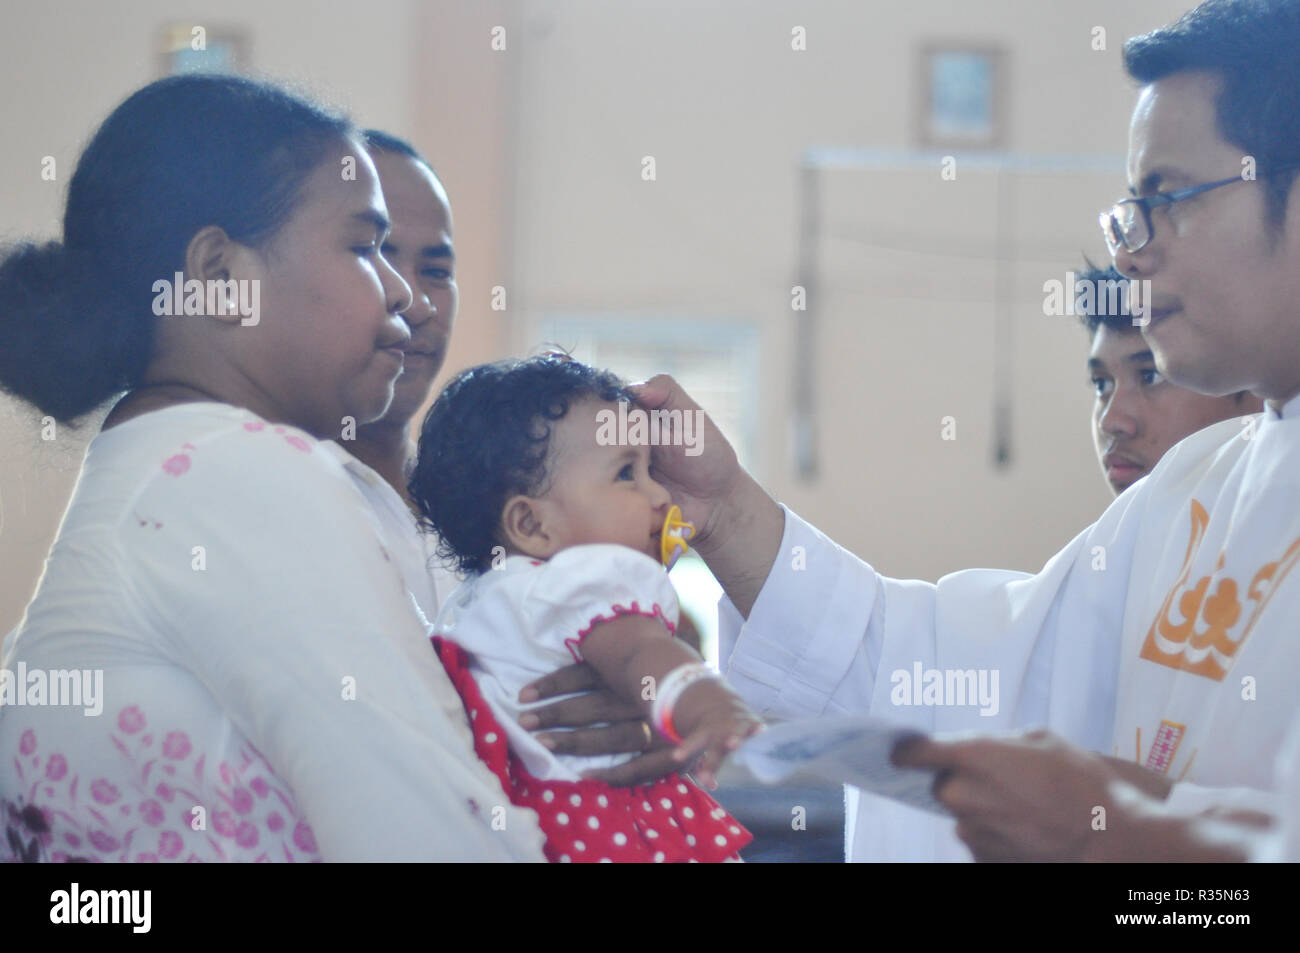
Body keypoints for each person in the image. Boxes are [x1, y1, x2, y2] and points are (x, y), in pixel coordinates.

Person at [533, 0, 1300, 863]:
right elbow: (952, 672)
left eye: (1170, 198)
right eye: (1130, 210)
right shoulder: (1199, 485)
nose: (1133, 252)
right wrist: (721, 508)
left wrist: (1128, 834)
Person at [0, 75, 545, 862]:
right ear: (222, 276)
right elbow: (439, 839)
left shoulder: (165, 458)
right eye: (365, 247)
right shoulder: (234, 468)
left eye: (425, 265)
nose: (404, 294)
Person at [410, 355, 760, 862]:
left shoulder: (478, 606)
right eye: (627, 473)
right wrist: (711, 706)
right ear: (531, 526)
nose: (660, 494)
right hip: (620, 827)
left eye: (649, 470)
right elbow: (641, 653)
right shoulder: (586, 579)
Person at [1075, 263, 1261, 495]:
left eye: (1150, 376)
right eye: (1101, 383)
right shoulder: (1119, 530)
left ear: (1257, 389)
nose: (1110, 422)